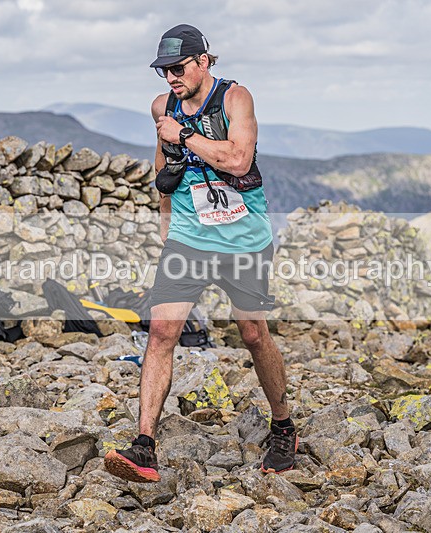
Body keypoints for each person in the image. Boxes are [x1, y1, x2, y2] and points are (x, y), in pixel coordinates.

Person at [104, 24, 296, 483]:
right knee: (161, 332)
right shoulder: (161, 107)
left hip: (244, 238)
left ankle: (283, 426)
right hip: (189, 239)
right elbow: (160, 169)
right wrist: (168, 224)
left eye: (177, 68)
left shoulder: (235, 98)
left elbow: (239, 161)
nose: (169, 78)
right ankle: (144, 446)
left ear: (203, 61)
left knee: (252, 333)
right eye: (162, 70)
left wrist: (183, 135)